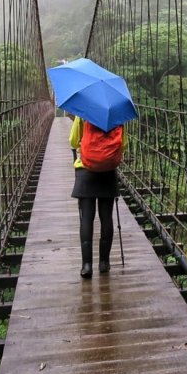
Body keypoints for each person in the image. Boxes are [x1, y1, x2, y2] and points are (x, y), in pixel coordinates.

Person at [68, 113, 118, 279]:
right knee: (106, 218)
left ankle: (87, 265)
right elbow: (124, 145)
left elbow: (73, 141)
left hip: (86, 170)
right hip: (108, 172)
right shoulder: (116, 114)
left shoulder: (82, 112)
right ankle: (104, 263)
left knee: (87, 218)